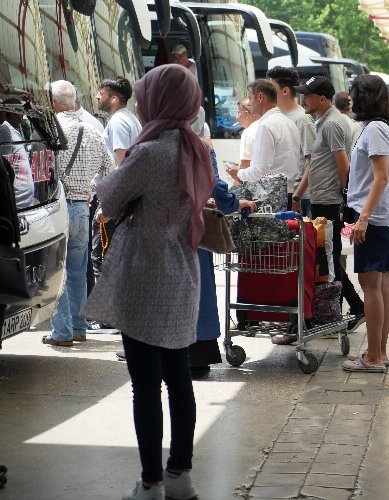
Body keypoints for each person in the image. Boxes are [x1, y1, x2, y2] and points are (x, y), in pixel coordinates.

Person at [83, 64, 215, 499]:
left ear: (159, 100)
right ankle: (181, 475)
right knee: (179, 377)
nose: (141, 103)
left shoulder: (151, 150)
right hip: (183, 271)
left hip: (144, 273)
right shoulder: (196, 148)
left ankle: (151, 482)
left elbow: (111, 195)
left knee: (145, 384)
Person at [41, 80, 114, 347]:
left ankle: (61, 333)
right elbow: (111, 170)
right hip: (84, 208)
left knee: (57, 271)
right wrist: (95, 193)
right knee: (77, 269)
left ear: (54, 103)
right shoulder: (95, 130)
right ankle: (79, 326)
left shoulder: (53, 130)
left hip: (60, 208)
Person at [293, 76, 365, 324]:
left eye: (308, 95)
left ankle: (354, 306)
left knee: (328, 259)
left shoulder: (332, 124)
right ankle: (343, 308)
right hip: (323, 198)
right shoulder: (326, 121)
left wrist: (345, 199)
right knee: (326, 258)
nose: (304, 100)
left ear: (322, 98)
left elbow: (342, 163)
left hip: (329, 201)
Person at [341, 75, 389, 372]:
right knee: (380, 285)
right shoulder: (377, 128)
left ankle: (375, 356)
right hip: (379, 216)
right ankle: (379, 351)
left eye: (352, 95)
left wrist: (363, 218)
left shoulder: (375, 129)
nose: (350, 100)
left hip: (374, 218)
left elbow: (381, 177)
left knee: (371, 285)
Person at [190, 107, 254, 377]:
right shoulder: (200, 147)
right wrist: (234, 203)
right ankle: (197, 355)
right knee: (198, 289)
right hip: (192, 229)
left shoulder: (148, 143)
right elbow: (216, 186)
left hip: (156, 231)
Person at [92, 76, 142, 323]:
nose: (97, 97)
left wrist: (109, 204)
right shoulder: (131, 119)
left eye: (101, 92)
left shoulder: (119, 122)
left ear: (113, 97)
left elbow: (122, 165)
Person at [226, 80, 300, 198]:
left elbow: (260, 171)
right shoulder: (289, 122)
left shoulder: (265, 125)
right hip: (292, 192)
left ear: (260, 97)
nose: (249, 103)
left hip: (275, 197)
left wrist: (238, 173)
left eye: (250, 98)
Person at [266, 66, 316, 216]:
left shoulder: (302, 119)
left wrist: (297, 196)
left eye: (271, 87)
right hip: (280, 194)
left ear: (285, 90)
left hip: (299, 198)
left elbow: (312, 162)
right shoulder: (276, 116)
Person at [0, 102, 34, 209]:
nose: (20, 116)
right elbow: (5, 165)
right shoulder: (5, 130)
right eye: (17, 113)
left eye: (21, 113)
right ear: (9, 113)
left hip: (24, 200)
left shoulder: (16, 129)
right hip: (18, 201)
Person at [235, 98, 260, 172]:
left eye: (238, 112)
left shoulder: (248, 133)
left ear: (246, 114)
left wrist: (236, 173)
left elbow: (245, 166)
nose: (237, 117)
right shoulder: (266, 125)